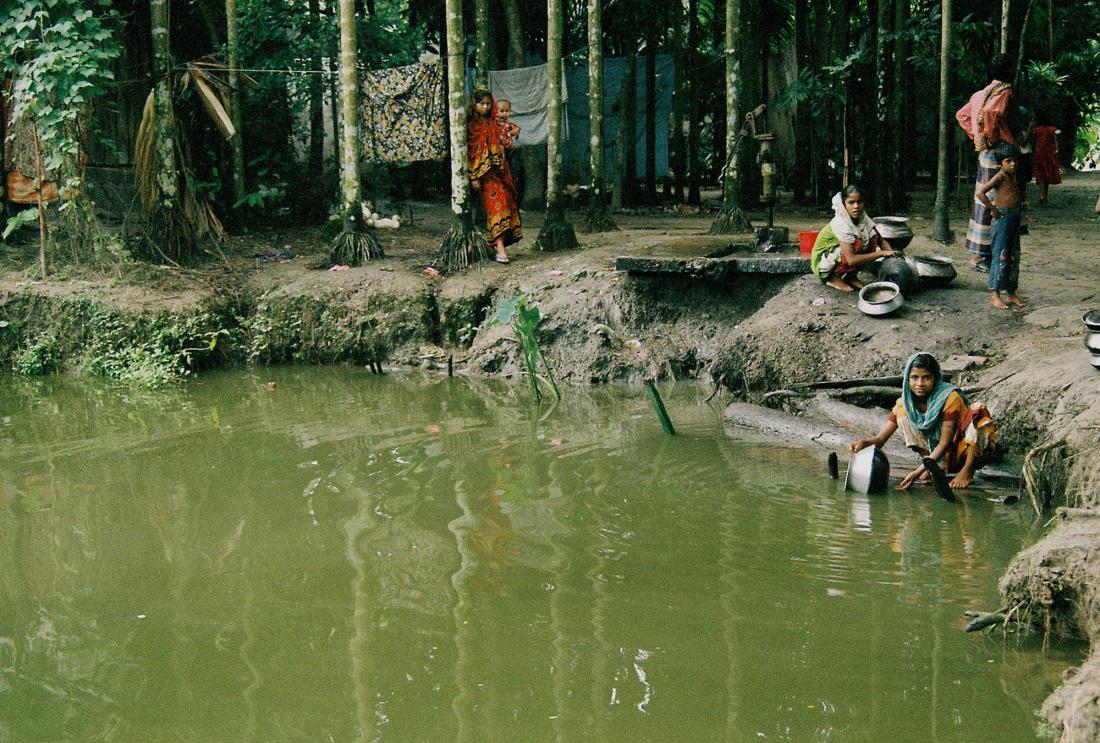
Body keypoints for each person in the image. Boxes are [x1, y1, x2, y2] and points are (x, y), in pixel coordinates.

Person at [849, 353, 998, 491]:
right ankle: (933, 466)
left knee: (978, 410)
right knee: (902, 414)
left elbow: (945, 443)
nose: (920, 383)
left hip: (962, 451)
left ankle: (967, 470)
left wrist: (917, 471)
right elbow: (880, 440)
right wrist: (864, 443)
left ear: (935, 378)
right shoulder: (906, 403)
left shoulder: (950, 397)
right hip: (938, 456)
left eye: (926, 377)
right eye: (914, 377)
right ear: (907, 378)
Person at [957, 54, 1018, 272]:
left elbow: (962, 115)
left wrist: (976, 136)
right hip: (996, 153)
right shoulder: (1004, 92)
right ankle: (982, 256)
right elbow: (992, 113)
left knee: (983, 198)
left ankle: (979, 252)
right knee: (996, 198)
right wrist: (992, 138)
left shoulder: (979, 94)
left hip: (984, 154)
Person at [467, 88, 522, 263]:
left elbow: (506, 141)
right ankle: (499, 249)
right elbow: (468, 152)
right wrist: (473, 176)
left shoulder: (495, 122)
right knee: (496, 205)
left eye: (488, 103)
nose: (485, 107)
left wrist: (513, 132)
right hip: (483, 175)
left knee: (506, 204)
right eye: (481, 103)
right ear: (474, 105)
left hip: (501, 172)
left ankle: (496, 245)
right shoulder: (470, 126)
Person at [810, 184, 894, 292]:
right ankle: (832, 278)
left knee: (872, 236)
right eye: (851, 202)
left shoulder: (862, 216)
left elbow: (881, 240)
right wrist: (881, 253)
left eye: (859, 202)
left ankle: (850, 276)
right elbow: (851, 260)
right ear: (844, 204)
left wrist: (892, 254)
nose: (856, 206)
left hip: (844, 255)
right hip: (823, 262)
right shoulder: (841, 223)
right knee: (858, 243)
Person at [976, 143, 1027, 309]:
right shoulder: (1000, 177)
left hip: (1014, 219)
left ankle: (1011, 292)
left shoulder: (1014, 178)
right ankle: (995, 294)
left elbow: (1013, 195)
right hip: (1002, 220)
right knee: (1000, 255)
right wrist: (994, 210)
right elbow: (980, 193)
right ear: (1000, 164)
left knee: (1013, 255)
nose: (1013, 164)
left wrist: (1022, 204)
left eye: (1015, 161)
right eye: (1008, 161)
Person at [1032, 114, 1061, 205]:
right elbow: (1056, 140)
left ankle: (1041, 195)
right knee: (1047, 175)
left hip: (1039, 153)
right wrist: (1056, 151)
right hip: (1049, 154)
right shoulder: (1053, 129)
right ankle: (1045, 196)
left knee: (1040, 175)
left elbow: (1034, 141)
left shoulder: (1036, 130)